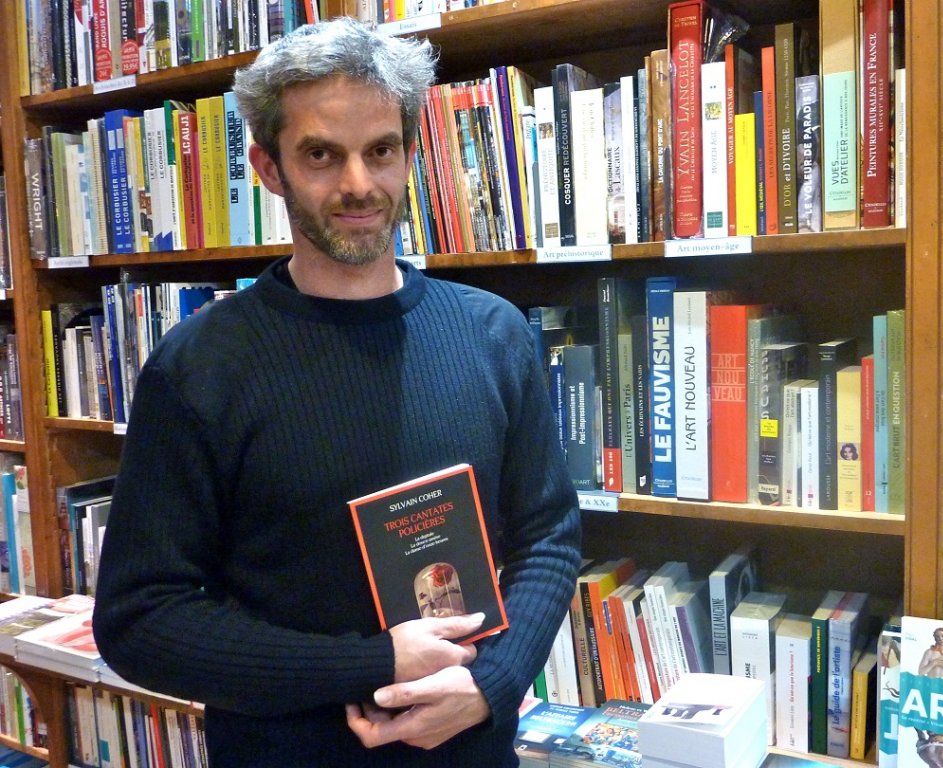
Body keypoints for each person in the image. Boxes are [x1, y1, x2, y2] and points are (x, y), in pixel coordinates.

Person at [92, 17, 581, 768]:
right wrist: (377, 664)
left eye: (381, 151)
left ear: (410, 156)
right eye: (321, 154)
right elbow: (139, 622)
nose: (358, 184)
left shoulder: (494, 333)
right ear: (268, 166)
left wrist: (496, 683)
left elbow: (549, 538)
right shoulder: (198, 369)